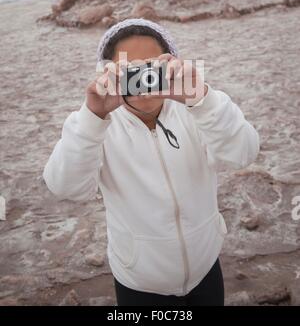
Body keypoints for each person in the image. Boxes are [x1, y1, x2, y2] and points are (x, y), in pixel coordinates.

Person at [43, 17, 260, 306]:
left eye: (153, 67)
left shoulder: (198, 110)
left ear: (172, 66)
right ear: (108, 73)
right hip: (139, 282)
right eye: (131, 71)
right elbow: (65, 188)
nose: (144, 80)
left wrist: (203, 99)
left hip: (205, 269)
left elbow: (243, 153)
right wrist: (92, 118)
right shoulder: (94, 125)